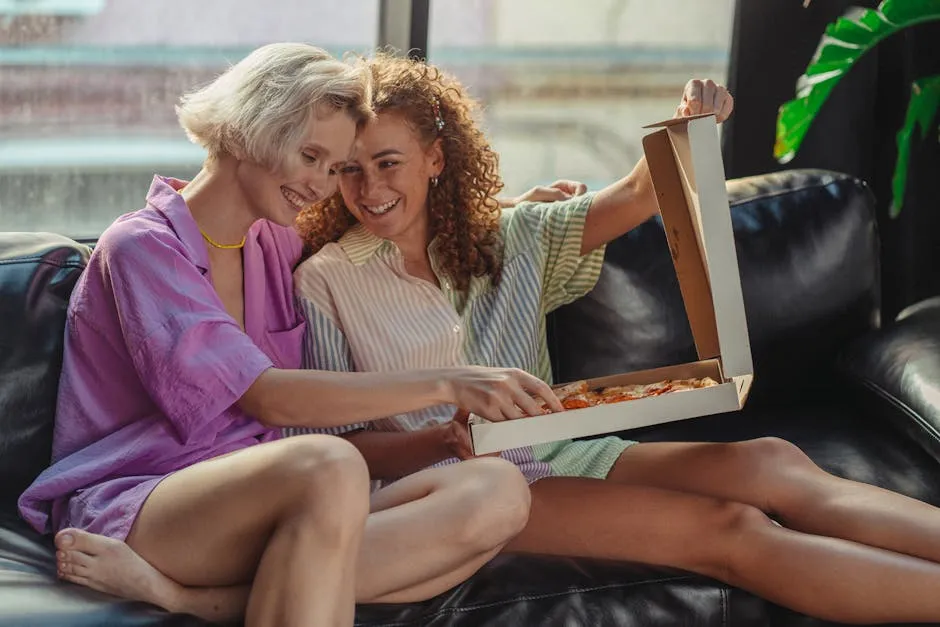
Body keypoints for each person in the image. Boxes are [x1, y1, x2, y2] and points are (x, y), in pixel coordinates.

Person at [285, 55, 940, 624]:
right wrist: (438, 438)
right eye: (350, 169)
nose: (369, 189)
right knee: (730, 529)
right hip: (457, 491)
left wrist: (689, 124)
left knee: (769, 461)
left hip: (563, 448)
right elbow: (335, 451)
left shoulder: (514, 237)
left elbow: (638, 192)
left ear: (435, 157)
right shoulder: (326, 281)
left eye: (388, 162)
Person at [17, 44, 563, 627]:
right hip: (146, 502)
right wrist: (449, 383)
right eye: (311, 156)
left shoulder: (273, 241)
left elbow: (388, 210)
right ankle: (191, 582)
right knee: (331, 464)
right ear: (252, 128)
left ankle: (189, 601)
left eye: (333, 168)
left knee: (498, 491)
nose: (323, 185)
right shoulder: (142, 248)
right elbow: (266, 395)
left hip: (280, 500)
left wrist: (495, 209)